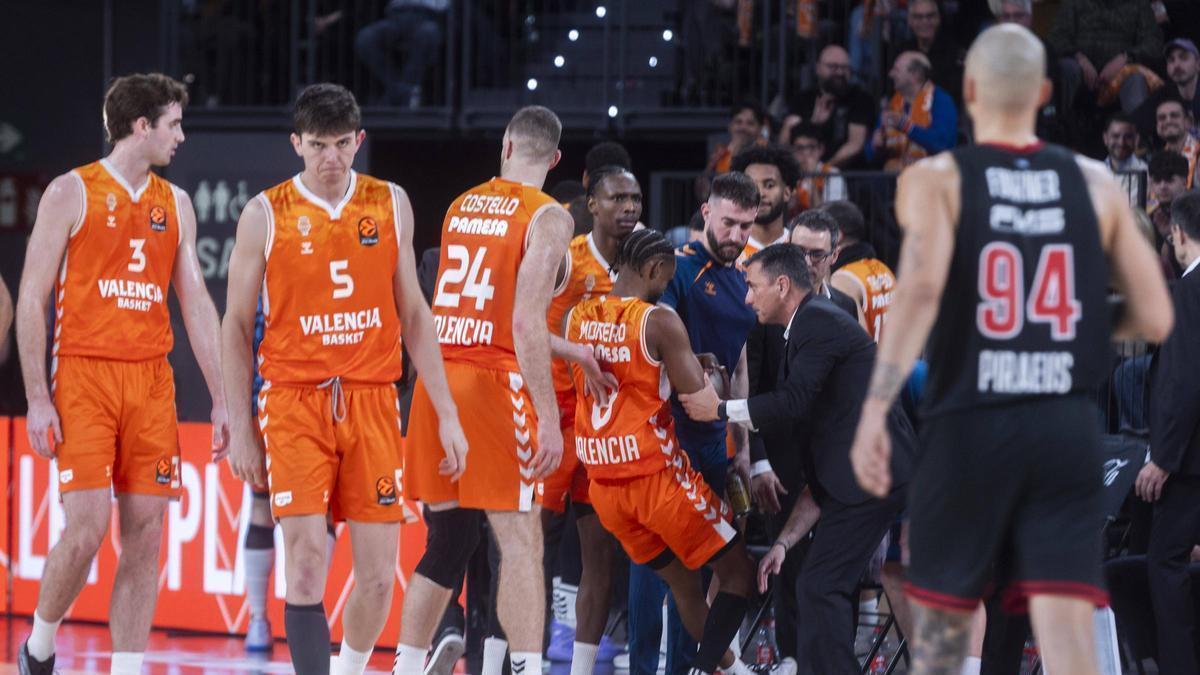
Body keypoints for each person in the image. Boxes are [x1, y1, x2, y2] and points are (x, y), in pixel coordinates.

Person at [848, 24, 1174, 675]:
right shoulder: (1095, 181)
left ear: (968, 90)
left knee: (944, 624)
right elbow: (1157, 313)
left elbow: (913, 298)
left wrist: (873, 410)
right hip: (1061, 425)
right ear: (1046, 93)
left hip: (971, 421)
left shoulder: (937, 178)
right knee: (1066, 627)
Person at [222, 83, 465, 675]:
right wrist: (240, 422)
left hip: (373, 400)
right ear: (296, 144)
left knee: (380, 576)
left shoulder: (390, 202)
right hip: (293, 402)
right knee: (305, 562)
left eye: (340, 145)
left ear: (358, 141)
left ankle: (350, 668)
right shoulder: (264, 213)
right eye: (317, 146)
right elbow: (233, 325)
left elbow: (414, 313)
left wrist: (448, 411)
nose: (330, 158)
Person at [15, 73, 230, 675]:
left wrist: (221, 400)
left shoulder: (176, 204)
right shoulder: (70, 192)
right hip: (84, 376)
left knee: (147, 533)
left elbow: (195, 305)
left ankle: (128, 669)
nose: (181, 136)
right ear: (142, 127)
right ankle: (39, 642)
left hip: (151, 381)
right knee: (85, 531)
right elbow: (32, 298)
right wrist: (38, 396)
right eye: (174, 124)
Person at [679, 243, 914, 675]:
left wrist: (720, 409)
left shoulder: (818, 321)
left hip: (875, 476)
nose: (747, 298)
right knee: (816, 585)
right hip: (854, 478)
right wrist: (782, 544)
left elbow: (793, 401)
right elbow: (821, 482)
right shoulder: (805, 327)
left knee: (821, 586)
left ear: (782, 285)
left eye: (752, 287)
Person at [396, 106, 575, 675]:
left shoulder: (461, 204)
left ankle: (404, 665)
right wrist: (548, 416)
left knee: (447, 541)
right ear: (555, 159)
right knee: (521, 539)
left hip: (437, 383)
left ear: (504, 146)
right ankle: (526, 668)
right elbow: (523, 323)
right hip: (493, 383)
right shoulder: (548, 215)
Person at [567, 228, 764, 675]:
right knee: (739, 575)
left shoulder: (577, 316)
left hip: (604, 487)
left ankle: (735, 672)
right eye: (665, 280)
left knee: (683, 588)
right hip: (657, 482)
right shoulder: (657, 320)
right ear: (654, 270)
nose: (665, 289)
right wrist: (711, 369)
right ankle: (719, 670)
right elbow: (703, 406)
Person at [627, 172, 758, 675]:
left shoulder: (745, 273)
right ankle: (642, 667)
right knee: (653, 565)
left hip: (714, 442)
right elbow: (651, 350)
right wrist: (699, 375)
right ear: (706, 213)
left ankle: (687, 668)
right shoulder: (677, 271)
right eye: (728, 223)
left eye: (746, 226)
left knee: (701, 564)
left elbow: (740, 363)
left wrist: (741, 445)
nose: (737, 235)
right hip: (667, 439)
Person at [541, 166, 642, 675]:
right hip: (553, 418)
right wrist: (578, 354)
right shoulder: (564, 258)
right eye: (617, 197)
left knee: (598, 555)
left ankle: (580, 665)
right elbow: (526, 333)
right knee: (527, 548)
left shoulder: (646, 261)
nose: (628, 206)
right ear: (591, 204)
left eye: (636, 198)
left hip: (606, 427)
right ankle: (506, 656)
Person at [1141, 189, 1200, 675]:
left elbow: (1183, 381)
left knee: (1166, 564)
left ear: (1178, 234)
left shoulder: (1187, 292)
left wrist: (1162, 456)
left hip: (1189, 464)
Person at [1048, 0, 1163, 115]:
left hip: (1121, 73)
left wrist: (1125, 57)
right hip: (1080, 72)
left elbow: (1153, 43)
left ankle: (1139, 130)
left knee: (1135, 79)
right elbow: (1056, 39)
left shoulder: (1139, 4)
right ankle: (1056, 126)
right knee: (1067, 68)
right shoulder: (1073, 3)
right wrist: (1079, 58)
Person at [780, 45, 875, 169]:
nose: (840, 72)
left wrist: (825, 170)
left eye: (845, 68)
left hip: (848, 174)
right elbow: (784, 143)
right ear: (818, 68)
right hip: (802, 174)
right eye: (833, 67)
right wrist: (812, 122)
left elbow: (855, 144)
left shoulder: (860, 99)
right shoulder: (802, 99)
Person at [868, 51, 958, 172]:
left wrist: (906, 126)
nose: (891, 74)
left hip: (930, 180)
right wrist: (875, 147)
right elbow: (869, 156)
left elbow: (942, 144)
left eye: (896, 70)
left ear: (915, 74)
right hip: (892, 182)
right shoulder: (891, 106)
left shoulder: (941, 101)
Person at [822, 201, 895, 342]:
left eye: (820, 229)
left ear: (837, 235)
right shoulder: (883, 268)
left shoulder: (842, 280)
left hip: (874, 363)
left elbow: (858, 346)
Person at [354, 0, 448, 108]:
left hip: (427, 16)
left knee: (428, 33)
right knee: (366, 39)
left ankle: (403, 90)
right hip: (395, 17)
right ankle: (401, 90)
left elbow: (444, 6)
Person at [730, 144, 801, 261]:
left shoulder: (800, 248)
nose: (760, 193)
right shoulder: (729, 248)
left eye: (769, 185)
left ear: (787, 193)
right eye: (751, 185)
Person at [697, 102, 767, 202]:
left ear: (760, 129)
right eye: (738, 122)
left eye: (750, 123)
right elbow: (703, 193)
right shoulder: (719, 151)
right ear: (730, 126)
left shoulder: (765, 152)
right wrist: (730, 152)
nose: (743, 127)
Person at [899, 0, 966, 104]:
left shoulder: (954, 53)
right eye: (918, 17)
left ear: (938, 19)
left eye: (930, 16)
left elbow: (955, 95)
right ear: (910, 21)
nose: (925, 21)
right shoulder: (901, 52)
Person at [1134, 39, 1200, 141]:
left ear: (1198, 64)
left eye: (1184, 58)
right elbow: (1134, 123)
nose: (1177, 65)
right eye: (1171, 60)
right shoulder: (1164, 94)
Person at [786, 124, 847, 218]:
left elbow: (829, 216)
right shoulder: (789, 175)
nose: (806, 153)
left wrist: (812, 176)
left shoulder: (832, 174)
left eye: (811, 147)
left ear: (821, 149)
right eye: (799, 148)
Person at [1148, 151, 1192, 278]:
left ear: (1185, 182)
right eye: (1157, 180)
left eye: (1169, 180)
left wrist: (1170, 237)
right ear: (1151, 184)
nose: (1162, 186)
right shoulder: (1149, 218)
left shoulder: (1195, 215)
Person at [1154, 98, 1199, 186]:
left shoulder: (1198, 152)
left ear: (1188, 121)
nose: (1168, 121)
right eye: (1162, 118)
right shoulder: (1156, 158)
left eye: (1174, 116)